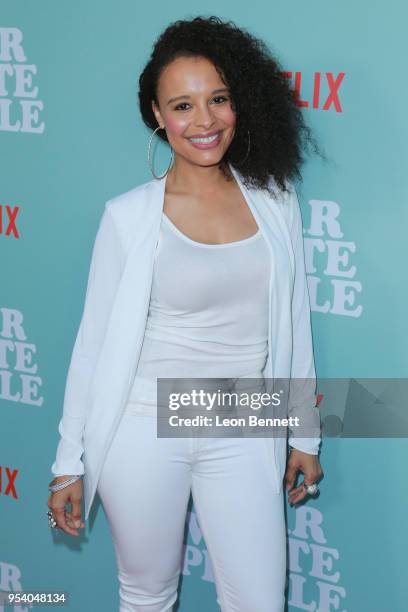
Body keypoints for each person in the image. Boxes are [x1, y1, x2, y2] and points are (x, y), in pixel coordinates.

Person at [47, 15, 324, 612]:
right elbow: (93, 345)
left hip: (245, 416)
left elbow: (294, 321)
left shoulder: (276, 201)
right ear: (156, 114)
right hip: (142, 424)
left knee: (258, 599)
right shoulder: (128, 216)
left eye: (218, 99)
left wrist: (304, 430)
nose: (204, 121)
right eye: (182, 105)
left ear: (238, 103)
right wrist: (69, 461)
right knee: (147, 595)